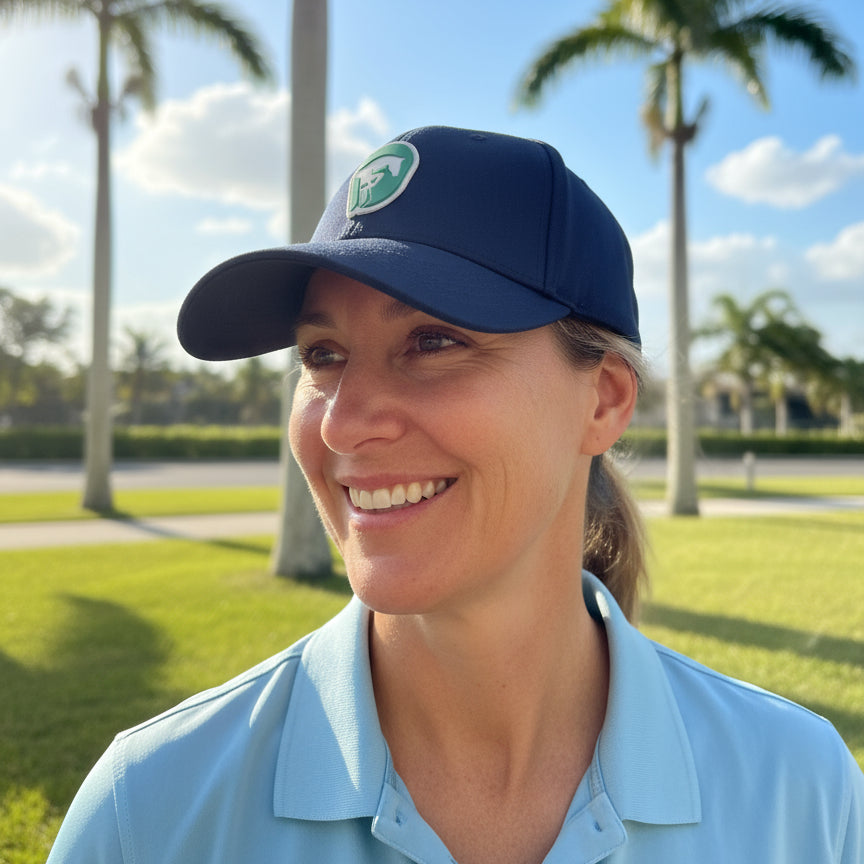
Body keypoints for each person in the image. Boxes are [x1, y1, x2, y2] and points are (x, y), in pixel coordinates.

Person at [48, 126, 862, 863]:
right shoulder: (148, 810)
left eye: (432, 341)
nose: (343, 424)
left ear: (605, 400)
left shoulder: (799, 791)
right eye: (322, 354)